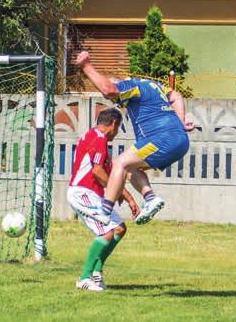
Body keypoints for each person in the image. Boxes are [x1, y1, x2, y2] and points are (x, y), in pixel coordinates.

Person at [74, 51, 194, 226]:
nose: (117, 102)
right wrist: (181, 121)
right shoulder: (154, 86)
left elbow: (109, 90)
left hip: (162, 138)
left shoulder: (131, 86)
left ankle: (104, 211)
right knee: (130, 168)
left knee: (118, 164)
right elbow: (176, 95)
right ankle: (150, 197)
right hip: (180, 140)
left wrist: (86, 66)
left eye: (118, 99)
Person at [68, 107, 140, 291]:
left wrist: (128, 197)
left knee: (119, 229)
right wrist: (116, 194)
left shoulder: (93, 137)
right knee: (106, 233)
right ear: (114, 124)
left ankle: (97, 273)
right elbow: (97, 171)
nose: (116, 133)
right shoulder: (98, 138)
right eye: (119, 128)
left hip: (91, 194)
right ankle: (84, 278)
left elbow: (109, 174)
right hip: (83, 192)